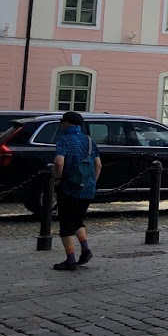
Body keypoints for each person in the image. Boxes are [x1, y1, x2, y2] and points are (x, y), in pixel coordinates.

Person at [52, 111, 101, 271]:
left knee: (66, 223)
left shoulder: (64, 140)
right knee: (78, 220)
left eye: (62, 122)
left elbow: (59, 162)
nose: (61, 125)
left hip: (69, 187)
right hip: (87, 188)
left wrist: (58, 179)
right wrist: (91, 182)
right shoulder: (89, 141)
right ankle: (85, 249)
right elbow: (98, 165)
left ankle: (71, 260)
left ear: (67, 124)